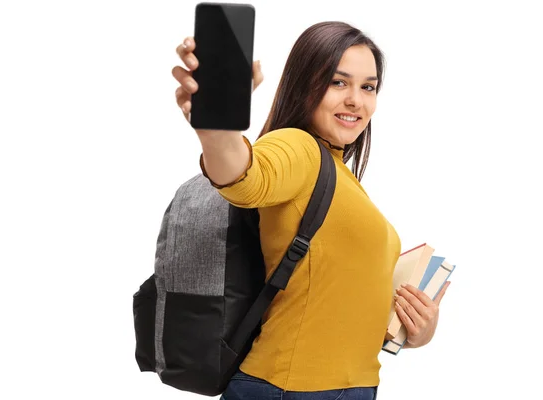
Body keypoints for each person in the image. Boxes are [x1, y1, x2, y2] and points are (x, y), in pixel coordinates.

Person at [172, 21, 450, 400]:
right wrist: (217, 129)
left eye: (368, 87)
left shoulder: (337, 173)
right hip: (292, 389)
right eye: (338, 82)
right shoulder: (298, 148)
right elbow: (245, 177)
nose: (356, 99)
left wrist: (416, 330)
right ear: (305, 84)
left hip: (346, 387)